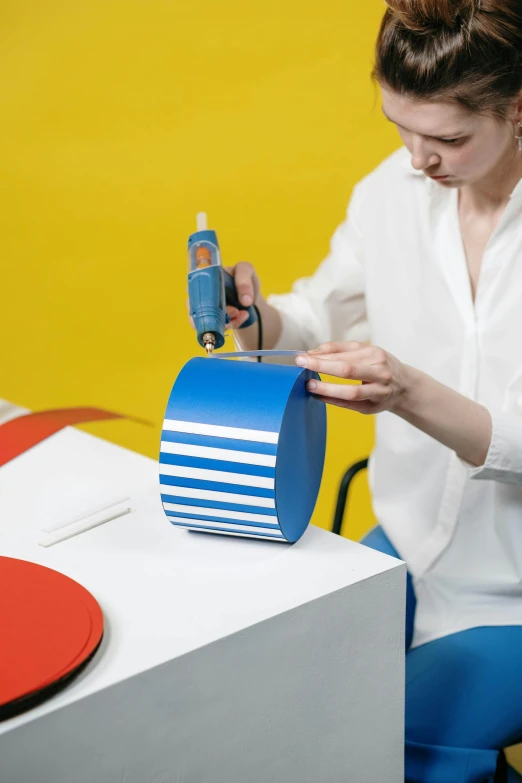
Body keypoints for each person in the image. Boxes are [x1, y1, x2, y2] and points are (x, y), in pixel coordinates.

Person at [222, 0, 522, 780]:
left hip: (515, 590)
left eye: (449, 138)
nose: (418, 159)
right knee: (279, 697)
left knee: (377, 741)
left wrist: (410, 391)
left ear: (519, 105)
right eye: (399, 126)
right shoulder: (389, 191)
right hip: (413, 542)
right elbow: (320, 311)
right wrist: (256, 317)